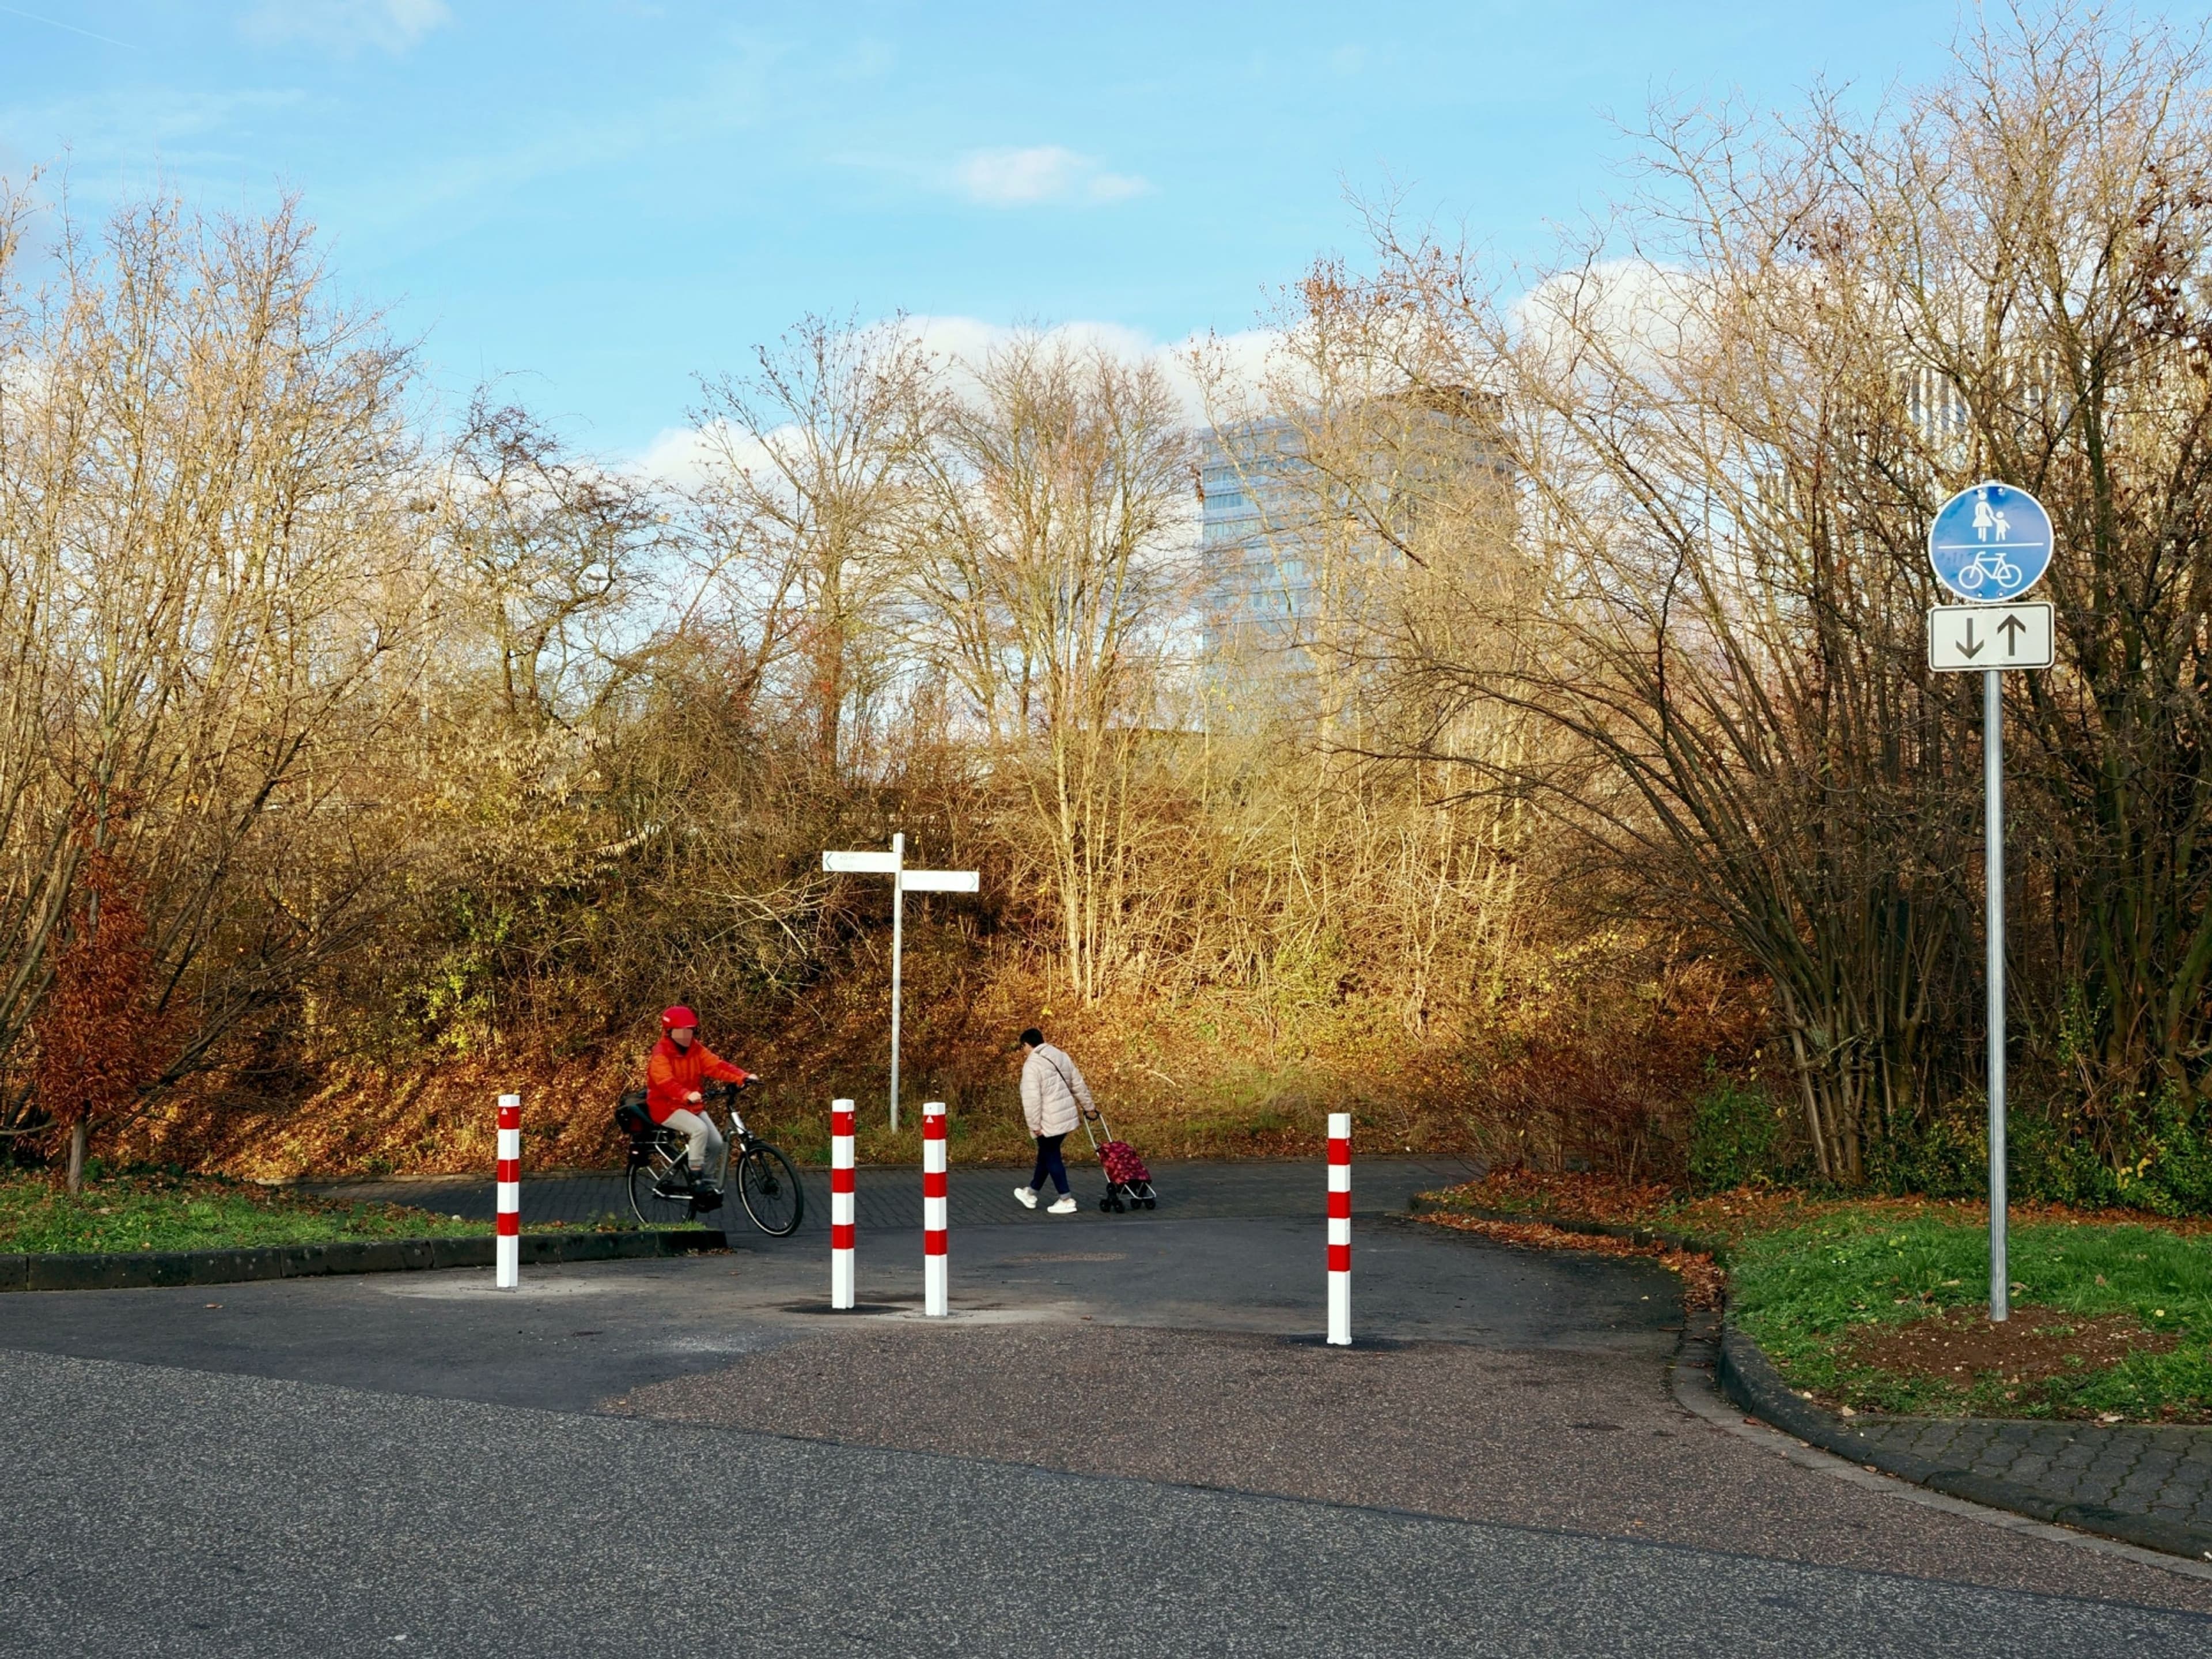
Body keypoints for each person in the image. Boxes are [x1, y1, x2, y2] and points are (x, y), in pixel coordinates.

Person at [645, 1005, 754, 1193]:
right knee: (699, 1130)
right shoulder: (661, 1053)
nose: (688, 1036)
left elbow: (717, 1066)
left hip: (690, 1105)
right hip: (666, 1107)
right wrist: (685, 1094)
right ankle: (696, 1179)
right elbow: (665, 1082)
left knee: (716, 1143)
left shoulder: (696, 1049)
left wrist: (742, 1076)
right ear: (670, 1032)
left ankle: (707, 1181)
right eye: (682, 1032)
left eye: (691, 1031)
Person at [1013, 1027, 1093, 1215]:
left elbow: (1032, 1099)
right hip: (1066, 1116)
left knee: (1052, 1156)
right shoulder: (1061, 1055)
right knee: (1047, 1155)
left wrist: (1034, 1125)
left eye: (1022, 1047)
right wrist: (1088, 1107)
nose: (1022, 1051)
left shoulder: (1032, 1064)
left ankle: (1066, 1199)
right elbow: (1077, 1083)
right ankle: (1031, 1193)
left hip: (1048, 1120)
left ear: (1027, 1045)